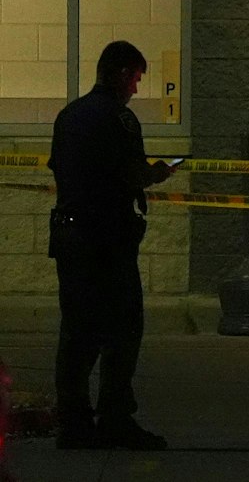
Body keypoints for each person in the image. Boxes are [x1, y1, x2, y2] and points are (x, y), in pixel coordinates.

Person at [47, 41, 176, 450]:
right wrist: (156, 173)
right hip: (107, 241)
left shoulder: (68, 116)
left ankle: (73, 421)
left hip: (70, 236)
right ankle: (115, 418)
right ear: (121, 73)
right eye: (136, 78)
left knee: (77, 331)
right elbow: (132, 174)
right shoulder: (120, 120)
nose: (136, 88)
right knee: (123, 329)